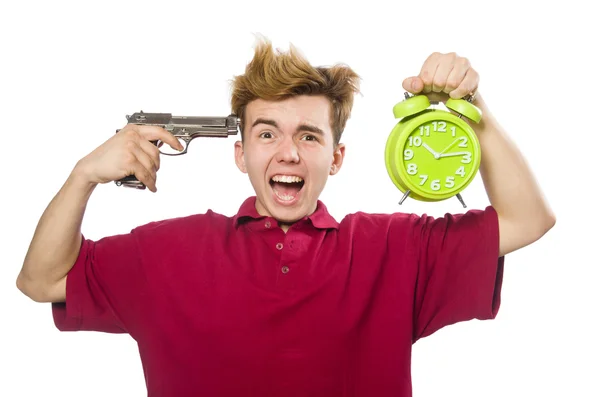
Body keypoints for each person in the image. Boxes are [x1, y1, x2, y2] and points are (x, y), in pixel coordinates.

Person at [17, 36, 555, 397]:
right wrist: (82, 175)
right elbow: (41, 280)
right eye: (267, 133)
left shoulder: (396, 249)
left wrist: (470, 106)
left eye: (309, 135)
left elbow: (528, 220)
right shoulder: (165, 253)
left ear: (336, 158)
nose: (288, 153)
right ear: (241, 153)